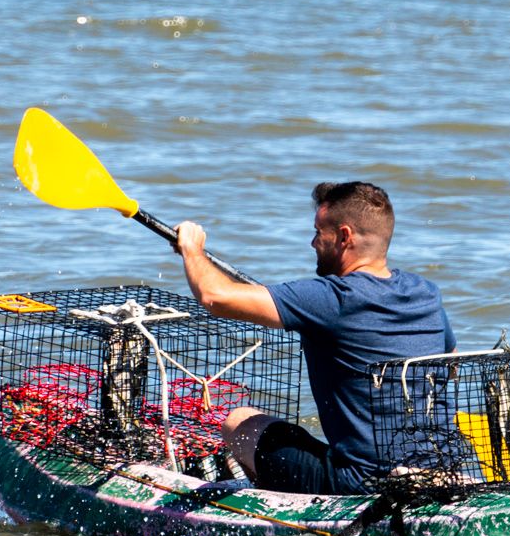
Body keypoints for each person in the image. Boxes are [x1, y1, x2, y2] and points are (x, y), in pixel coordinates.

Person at [175, 181, 455, 495]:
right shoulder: (424, 293)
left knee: (239, 422)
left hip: (361, 482)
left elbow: (215, 297)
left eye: (318, 231)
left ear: (344, 236)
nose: (312, 242)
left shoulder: (331, 299)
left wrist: (192, 250)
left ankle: (274, 510)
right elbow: (451, 360)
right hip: (438, 469)